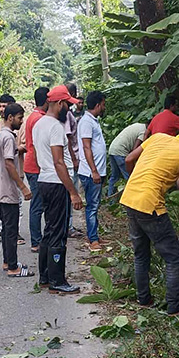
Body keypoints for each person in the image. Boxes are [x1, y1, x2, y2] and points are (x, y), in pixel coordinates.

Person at [121, 119, 179, 315]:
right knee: (173, 257)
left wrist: (137, 181)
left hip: (130, 198)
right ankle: (174, 306)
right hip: (151, 206)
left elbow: (129, 159)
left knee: (141, 254)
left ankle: (143, 299)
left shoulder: (157, 137)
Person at [34, 85, 84, 294]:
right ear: (60, 104)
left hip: (44, 181)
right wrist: (73, 192)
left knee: (49, 230)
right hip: (56, 183)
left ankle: (45, 277)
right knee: (58, 233)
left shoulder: (39, 124)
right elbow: (58, 162)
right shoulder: (55, 127)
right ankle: (57, 280)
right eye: (68, 105)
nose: (69, 110)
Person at [0, 103, 34, 277]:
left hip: (0, 189)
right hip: (8, 191)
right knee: (11, 230)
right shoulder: (9, 138)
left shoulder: (0, 135)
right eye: (19, 117)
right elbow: (9, 164)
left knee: (6, 228)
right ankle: (13, 268)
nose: (21, 121)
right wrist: (23, 187)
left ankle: (7, 261)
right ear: (10, 118)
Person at [0, 94, 24, 246]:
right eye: (0, 105)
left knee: (17, 203)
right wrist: (7, 148)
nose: (1, 109)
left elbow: (25, 145)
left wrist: (10, 149)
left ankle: (15, 231)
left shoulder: (19, 127)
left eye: (5, 106)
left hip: (17, 172)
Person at [77, 91, 107, 251]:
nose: (104, 107)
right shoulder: (87, 122)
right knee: (92, 206)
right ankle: (92, 240)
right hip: (90, 173)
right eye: (103, 104)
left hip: (96, 171)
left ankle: (94, 235)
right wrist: (94, 171)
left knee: (95, 205)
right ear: (97, 105)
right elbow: (86, 146)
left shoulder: (93, 121)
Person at [23, 87, 49, 253]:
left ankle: (38, 239)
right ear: (47, 101)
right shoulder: (39, 119)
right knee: (37, 205)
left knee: (39, 204)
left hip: (32, 164)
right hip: (35, 166)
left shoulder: (33, 117)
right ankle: (36, 241)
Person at [107, 122, 146, 197]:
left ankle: (110, 199)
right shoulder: (143, 131)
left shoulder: (138, 125)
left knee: (115, 176)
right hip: (121, 152)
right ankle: (130, 199)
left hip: (113, 150)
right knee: (129, 177)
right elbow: (134, 150)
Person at [64, 82, 82, 239]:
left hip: (70, 159)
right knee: (71, 193)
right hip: (71, 159)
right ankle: (68, 227)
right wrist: (75, 160)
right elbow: (68, 139)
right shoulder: (67, 115)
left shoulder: (67, 114)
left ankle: (67, 225)